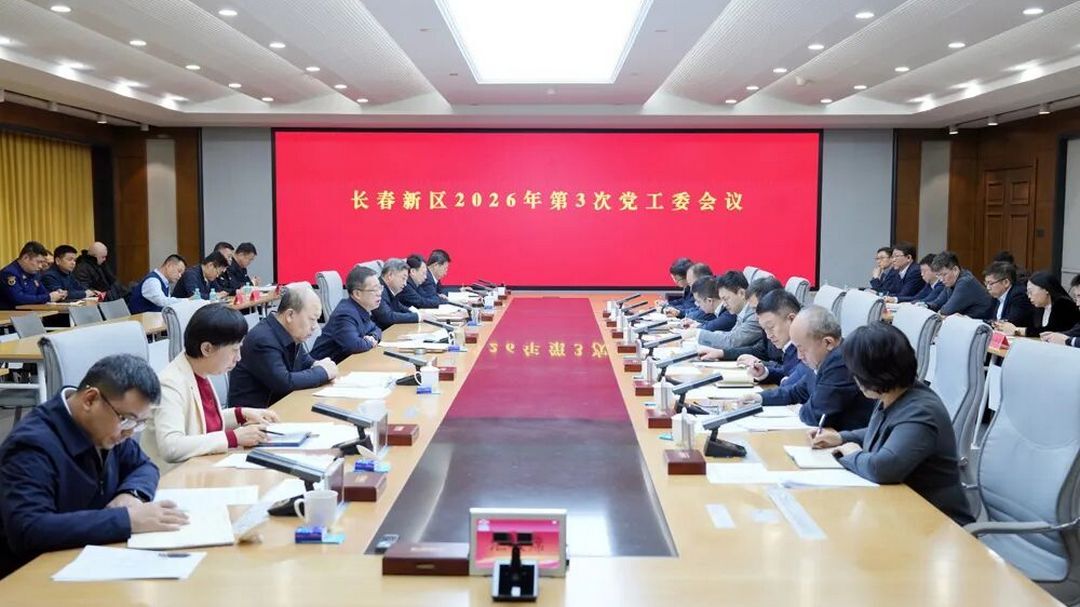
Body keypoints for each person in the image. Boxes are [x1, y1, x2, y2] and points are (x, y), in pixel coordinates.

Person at [0, 354, 189, 579]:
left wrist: (132, 494)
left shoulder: (106, 428)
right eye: (127, 419)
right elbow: (28, 529)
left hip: (90, 556)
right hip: (34, 576)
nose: (130, 432)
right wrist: (128, 520)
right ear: (90, 400)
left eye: (139, 423)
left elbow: (144, 466)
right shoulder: (31, 446)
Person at [810, 323, 974, 525]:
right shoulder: (895, 394)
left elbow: (882, 468)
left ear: (874, 373)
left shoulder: (921, 411)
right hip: (900, 512)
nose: (854, 378)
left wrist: (852, 454)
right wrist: (841, 437)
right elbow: (885, 431)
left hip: (938, 525)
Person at [141, 305, 279, 473]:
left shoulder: (199, 372)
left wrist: (240, 414)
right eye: (234, 350)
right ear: (207, 349)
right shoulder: (169, 383)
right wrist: (233, 437)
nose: (238, 358)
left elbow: (199, 422)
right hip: (172, 478)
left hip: (199, 470)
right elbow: (172, 446)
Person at [763, 306, 874, 430]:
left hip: (846, 438)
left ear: (828, 343)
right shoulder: (822, 359)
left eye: (802, 348)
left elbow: (816, 415)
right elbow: (795, 392)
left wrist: (799, 409)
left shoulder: (841, 363)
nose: (799, 356)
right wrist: (759, 398)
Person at [228, 284, 337, 408]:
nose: (315, 327)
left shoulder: (288, 332)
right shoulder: (263, 340)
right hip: (255, 414)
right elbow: (284, 383)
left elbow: (304, 360)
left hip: (280, 406)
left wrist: (317, 364)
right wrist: (323, 372)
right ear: (290, 315)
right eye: (312, 319)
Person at [733, 290, 810, 406]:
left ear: (792, 319)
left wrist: (786, 381)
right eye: (765, 329)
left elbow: (795, 384)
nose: (769, 335)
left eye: (771, 327)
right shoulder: (789, 347)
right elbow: (788, 372)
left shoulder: (808, 348)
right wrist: (765, 373)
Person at [311, 266, 384, 363]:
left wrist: (373, 336)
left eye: (380, 288)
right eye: (374, 290)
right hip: (324, 367)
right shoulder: (345, 314)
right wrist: (370, 342)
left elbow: (376, 328)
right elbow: (354, 345)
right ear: (357, 294)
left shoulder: (360, 309)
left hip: (345, 363)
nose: (379, 293)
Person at [692, 271, 764, 354]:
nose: (724, 304)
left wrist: (696, 333)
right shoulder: (742, 312)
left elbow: (732, 342)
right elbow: (731, 335)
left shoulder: (754, 315)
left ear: (741, 293)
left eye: (726, 299)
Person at [994, 271, 1080, 337]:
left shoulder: (1063, 304)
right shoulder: (1038, 306)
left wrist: (1017, 330)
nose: (1029, 296)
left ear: (1046, 289)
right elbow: (1030, 326)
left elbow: (1051, 331)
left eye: (1031, 292)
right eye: (1027, 293)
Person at [926, 251, 995, 318]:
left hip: (983, 322)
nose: (941, 279)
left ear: (955, 270)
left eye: (944, 274)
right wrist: (926, 306)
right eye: (938, 275)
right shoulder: (950, 282)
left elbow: (947, 310)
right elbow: (937, 303)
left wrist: (940, 313)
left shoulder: (966, 282)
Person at [0, 241, 66, 309]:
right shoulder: (9, 273)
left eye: (42, 263)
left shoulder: (34, 273)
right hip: (11, 313)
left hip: (31, 312)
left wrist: (57, 294)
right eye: (38, 262)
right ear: (26, 258)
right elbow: (18, 298)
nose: (40, 266)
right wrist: (48, 297)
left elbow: (43, 293)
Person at [372, 258, 426, 330]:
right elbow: (388, 317)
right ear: (390, 275)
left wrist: (417, 313)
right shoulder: (378, 289)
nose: (405, 284)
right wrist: (417, 317)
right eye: (403, 278)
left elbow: (399, 306)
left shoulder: (390, 289)